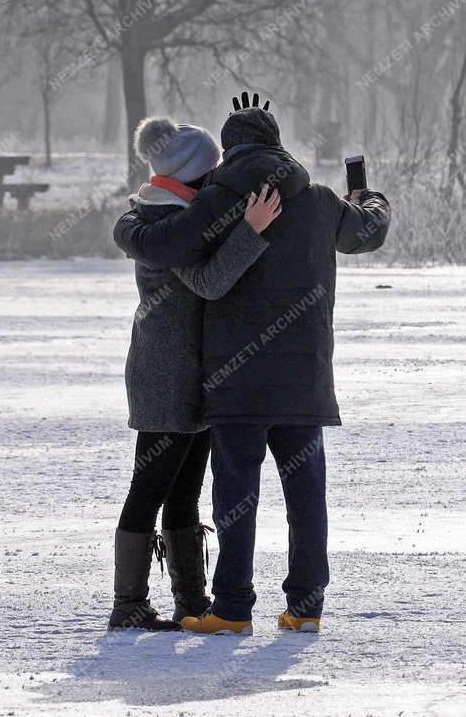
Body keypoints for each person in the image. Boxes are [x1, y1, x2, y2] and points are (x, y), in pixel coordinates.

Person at [113, 105, 390, 635]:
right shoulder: (319, 203)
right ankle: (303, 606)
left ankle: (228, 607)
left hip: (232, 382)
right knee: (304, 495)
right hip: (294, 381)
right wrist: (368, 200)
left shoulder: (214, 204)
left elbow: (174, 251)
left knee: (231, 496)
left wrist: (132, 225)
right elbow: (368, 231)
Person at [108, 116, 282, 631]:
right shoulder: (170, 221)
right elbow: (209, 281)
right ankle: (128, 602)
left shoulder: (176, 212)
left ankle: (190, 598)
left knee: (182, 492)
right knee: (150, 486)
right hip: (166, 373)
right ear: (194, 175)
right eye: (213, 171)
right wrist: (251, 232)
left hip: (191, 371)